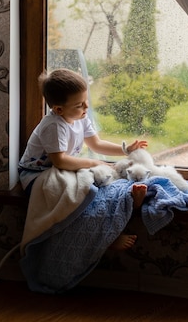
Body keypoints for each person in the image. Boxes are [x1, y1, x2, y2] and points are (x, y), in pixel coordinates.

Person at [18, 67, 148, 249]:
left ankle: (126, 205)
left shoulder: (80, 116)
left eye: (86, 100)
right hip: (37, 174)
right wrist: (94, 162)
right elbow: (60, 161)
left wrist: (125, 150)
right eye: (80, 104)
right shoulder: (54, 126)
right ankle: (104, 238)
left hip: (60, 169)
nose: (86, 107)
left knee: (101, 185)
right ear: (59, 109)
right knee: (82, 195)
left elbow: (96, 144)